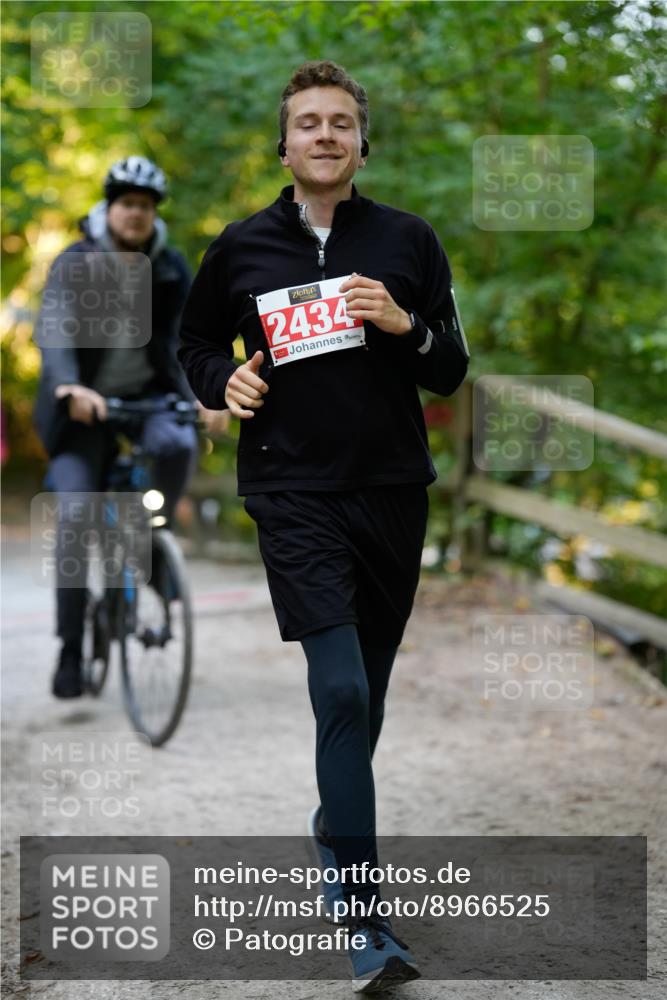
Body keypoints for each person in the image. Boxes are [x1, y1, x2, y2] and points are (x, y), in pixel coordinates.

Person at [177, 61, 469, 992]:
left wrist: (405, 325)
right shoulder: (240, 247)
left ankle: (333, 827)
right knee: (338, 691)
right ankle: (366, 925)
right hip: (291, 491)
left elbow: (450, 366)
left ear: (360, 144)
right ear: (285, 145)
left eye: (340, 122)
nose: (325, 135)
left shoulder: (408, 240)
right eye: (308, 122)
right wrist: (222, 380)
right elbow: (193, 343)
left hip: (391, 492)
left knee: (366, 698)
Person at [33, 156, 226, 700]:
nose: (136, 213)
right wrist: (69, 386)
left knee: (177, 442)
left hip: (146, 399)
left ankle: (153, 547)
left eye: (145, 205)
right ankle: (71, 649)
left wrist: (204, 393)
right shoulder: (76, 263)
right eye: (127, 204)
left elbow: (188, 343)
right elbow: (56, 330)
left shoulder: (170, 268)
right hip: (83, 408)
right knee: (75, 518)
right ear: (109, 208)